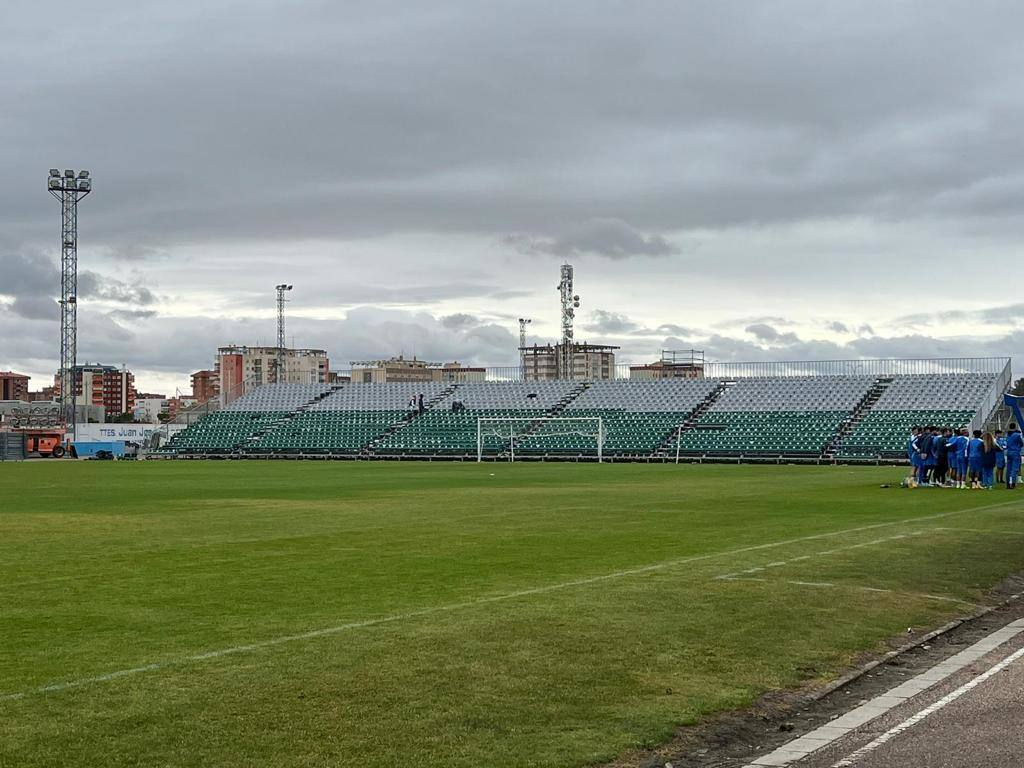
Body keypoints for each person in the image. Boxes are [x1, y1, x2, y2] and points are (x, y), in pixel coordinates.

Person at [1006, 423, 1023, 489]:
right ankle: (1012, 483)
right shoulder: (1017, 435)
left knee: (1008, 468)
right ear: (1015, 427)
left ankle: (1008, 483)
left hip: (1009, 452)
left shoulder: (1008, 434)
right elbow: (1021, 443)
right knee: (1014, 468)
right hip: (1015, 452)